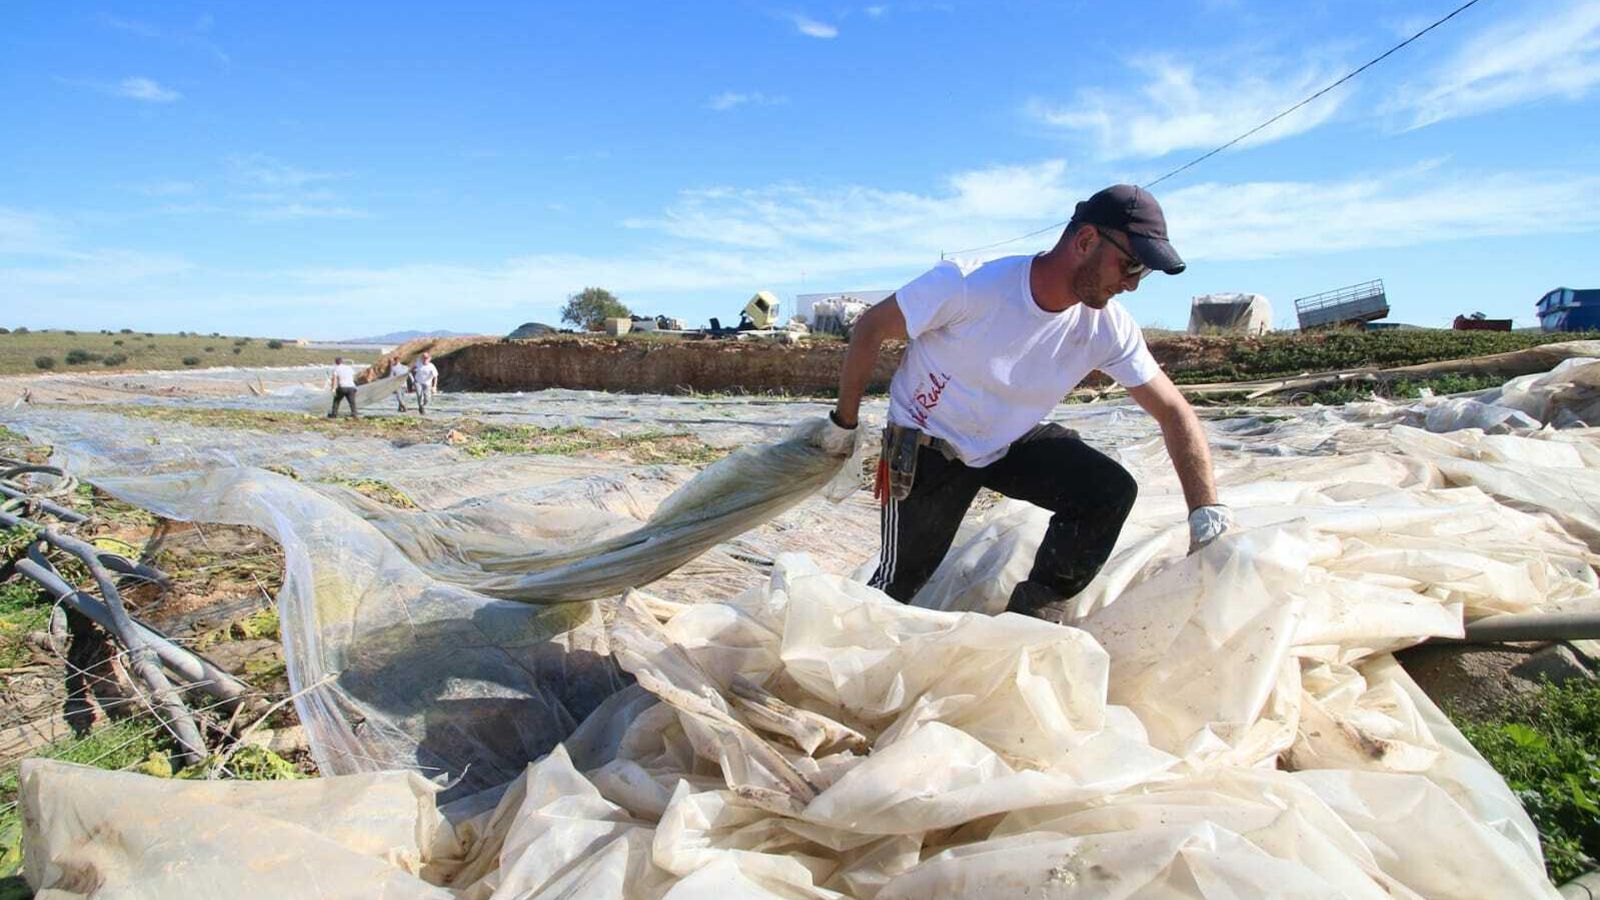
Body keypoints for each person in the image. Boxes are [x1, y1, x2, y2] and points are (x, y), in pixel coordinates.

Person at [821, 184, 1230, 622]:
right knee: (895, 588)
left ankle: (1033, 616)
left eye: (1142, 273)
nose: (1131, 284)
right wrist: (844, 425)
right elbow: (870, 327)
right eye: (1131, 264)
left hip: (1008, 440)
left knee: (1108, 492)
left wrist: (1205, 512)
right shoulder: (969, 285)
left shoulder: (1108, 327)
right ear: (1086, 240)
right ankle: (848, 633)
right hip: (930, 444)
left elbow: (1173, 411)